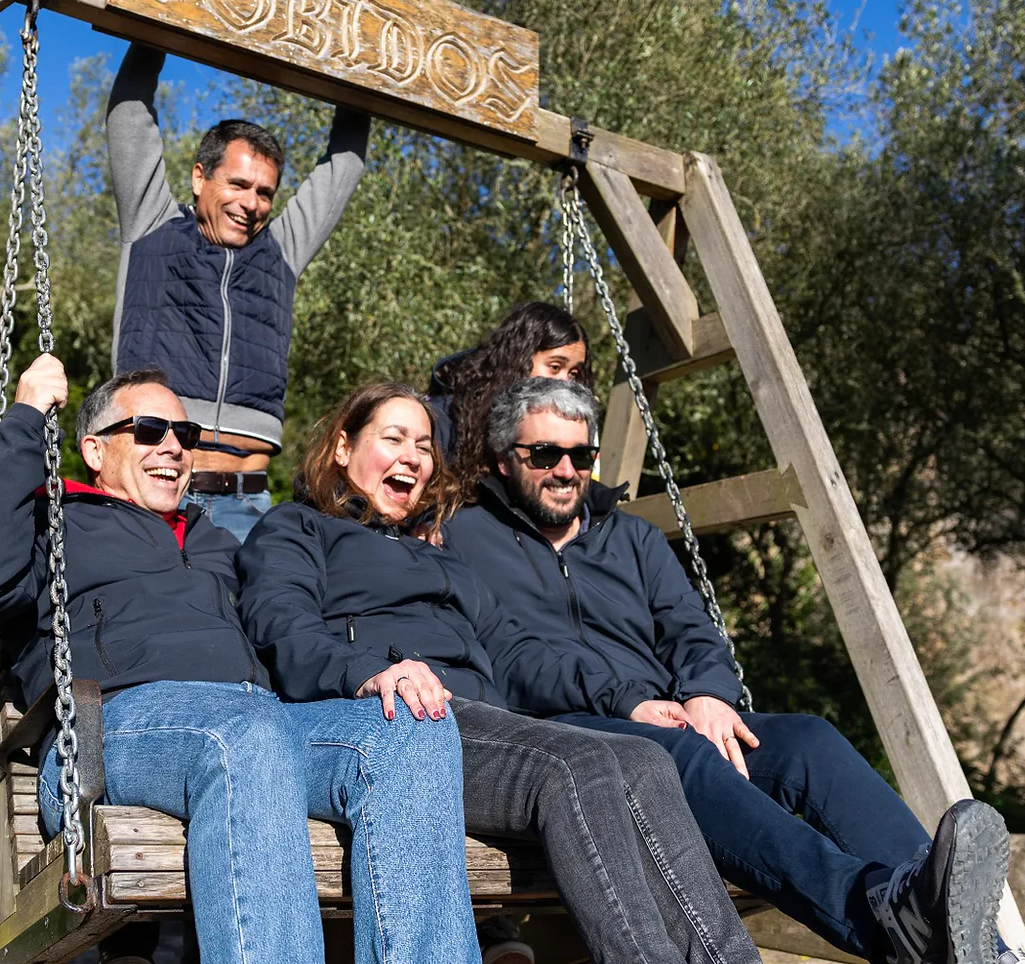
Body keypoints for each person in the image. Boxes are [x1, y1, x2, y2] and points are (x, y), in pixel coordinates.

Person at [442, 377, 1019, 964]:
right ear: (502, 459)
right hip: (571, 731)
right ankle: (879, 911)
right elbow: (507, 655)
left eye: (581, 455)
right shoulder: (464, 538)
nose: (566, 470)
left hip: (673, 714)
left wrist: (706, 693)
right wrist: (627, 701)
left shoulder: (633, 538)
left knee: (806, 741)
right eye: (545, 454)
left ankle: (984, 950)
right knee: (673, 757)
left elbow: (692, 630)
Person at [0, 358, 476, 964]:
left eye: (185, 436)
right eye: (148, 431)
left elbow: (286, 627)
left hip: (255, 723)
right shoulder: (51, 526)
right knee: (243, 734)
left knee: (410, 729)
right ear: (92, 449)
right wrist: (28, 417)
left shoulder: (218, 542)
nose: (173, 447)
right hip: (114, 728)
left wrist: (373, 663)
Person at [236, 384, 761, 964]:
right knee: (575, 767)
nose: (412, 456)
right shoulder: (295, 529)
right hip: (399, 722)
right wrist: (368, 671)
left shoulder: (440, 556)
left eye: (424, 445)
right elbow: (281, 628)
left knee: (644, 759)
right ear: (342, 447)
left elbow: (515, 651)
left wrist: (629, 700)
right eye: (393, 438)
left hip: (485, 723)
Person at [109, 43, 370, 543]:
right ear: (199, 177)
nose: (251, 203)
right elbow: (130, 112)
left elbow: (345, 165)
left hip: (245, 504)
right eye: (238, 184)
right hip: (151, 489)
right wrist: (153, 28)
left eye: (265, 192)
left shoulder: (283, 252)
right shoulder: (151, 223)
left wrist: (358, 60)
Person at [426, 301, 590, 469]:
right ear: (519, 360)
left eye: (573, 374)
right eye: (555, 367)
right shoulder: (446, 421)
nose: (565, 383)